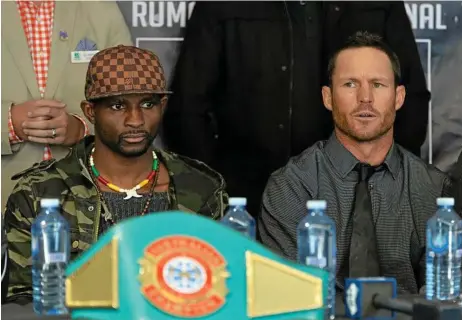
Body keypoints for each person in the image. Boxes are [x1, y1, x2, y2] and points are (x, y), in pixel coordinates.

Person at [162, 1, 430, 217]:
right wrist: (219, 189)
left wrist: (383, 182)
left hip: (356, 199)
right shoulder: (223, 6)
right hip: (246, 202)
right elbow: (187, 108)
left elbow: (410, 97)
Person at [3, 45, 229, 300]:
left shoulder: (201, 189)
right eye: (118, 106)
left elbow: (220, 293)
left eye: (147, 104)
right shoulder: (40, 194)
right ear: (90, 112)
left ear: (163, 106)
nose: (135, 120)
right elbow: (19, 302)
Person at [257, 32, 448, 295]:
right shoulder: (290, 187)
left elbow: (442, 298)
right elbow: (287, 296)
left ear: (399, 97)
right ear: (327, 97)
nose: (365, 98)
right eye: (350, 84)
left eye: (378, 85)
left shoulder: (433, 189)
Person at [1, 0, 133, 209]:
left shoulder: (100, 8)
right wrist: (8, 123)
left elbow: (130, 101)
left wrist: (82, 130)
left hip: (88, 206)